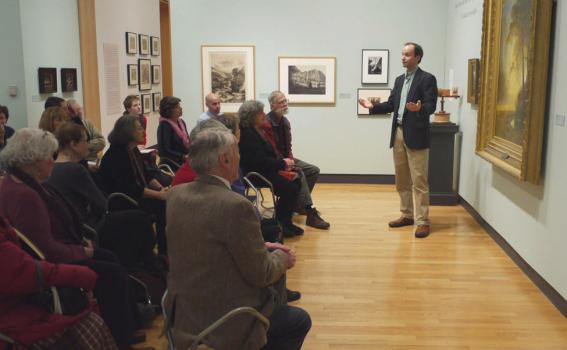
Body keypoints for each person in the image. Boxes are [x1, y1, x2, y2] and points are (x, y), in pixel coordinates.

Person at [0, 128, 151, 349]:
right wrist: (82, 252)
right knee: (111, 273)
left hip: (61, 249)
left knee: (109, 259)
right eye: (50, 157)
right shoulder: (25, 195)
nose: (53, 162)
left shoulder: (17, 183)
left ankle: (127, 329)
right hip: (54, 261)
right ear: (34, 161)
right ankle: (121, 339)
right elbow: (44, 249)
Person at [165, 128, 311, 350]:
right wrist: (283, 258)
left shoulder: (176, 195)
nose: (240, 157)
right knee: (298, 320)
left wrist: (259, 245)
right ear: (225, 159)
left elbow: (207, 245)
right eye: (237, 152)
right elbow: (262, 274)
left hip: (184, 315)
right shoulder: (235, 205)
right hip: (226, 320)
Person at [0, 216, 119, 350]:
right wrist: (83, 273)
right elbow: (34, 267)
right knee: (91, 324)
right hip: (10, 321)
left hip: (19, 301)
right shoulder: (25, 197)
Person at [358, 42, 438, 238]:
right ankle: (407, 215)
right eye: (402, 54)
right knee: (402, 179)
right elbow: (392, 104)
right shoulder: (399, 80)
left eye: (407, 55)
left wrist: (420, 109)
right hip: (399, 132)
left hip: (417, 134)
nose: (403, 57)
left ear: (418, 57)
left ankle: (422, 221)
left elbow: (431, 105)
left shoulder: (427, 79)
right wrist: (372, 106)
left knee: (419, 179)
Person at [99, 115, 168, 255]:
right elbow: (131, 188)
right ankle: (157, 252)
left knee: (166, 202)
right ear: (128, 132)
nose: (144, 131)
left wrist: (161, 189)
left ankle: (163, 250)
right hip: (123, 200)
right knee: (163, 205)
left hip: (135, 195)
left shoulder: (132, 149)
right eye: (139, 129)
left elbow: (147, 176)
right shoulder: (117, 154)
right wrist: (160, 195)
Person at [264, 91, 330, 230]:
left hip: (286, 158)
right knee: (298, 172)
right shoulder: (266, 123)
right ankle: (310, 211)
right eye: (281, 102)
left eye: (285, 101)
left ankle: (298, 205)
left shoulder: (285, 121)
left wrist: (290, 159)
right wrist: (285, 163)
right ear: (272, 105)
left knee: (313, 170)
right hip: (275, 161)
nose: (285, 104)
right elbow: (271, 148)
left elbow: (288, 145)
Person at [238, 100, 304, 237]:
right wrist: (282, 164)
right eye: (260, 112)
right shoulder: (248, 134)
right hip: (257, 175)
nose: (263, 114)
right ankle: (282, 223)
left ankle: (284, 221)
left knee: (296, 180)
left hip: (266, 170)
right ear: (252, 116)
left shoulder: (257, 130)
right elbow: (259, 162)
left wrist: (283, 163)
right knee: (290, 188)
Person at [157, 96, 189, 171]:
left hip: (184, 160)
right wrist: (183, 156)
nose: (181, 108)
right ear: (169, 110)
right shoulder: (164, 125)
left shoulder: (181, 122)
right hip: (171, 163)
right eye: (177, 107)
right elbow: (164, 150)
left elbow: (187, 141)